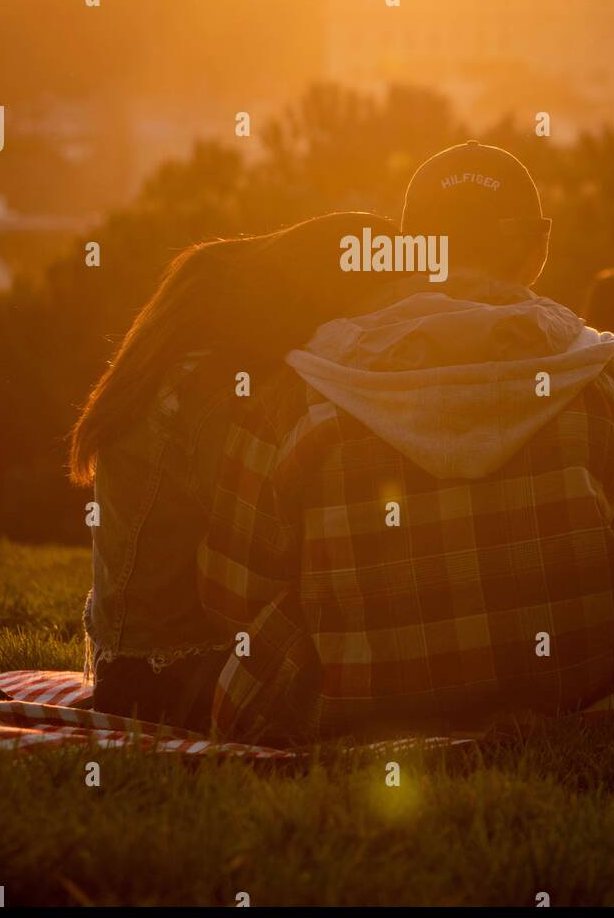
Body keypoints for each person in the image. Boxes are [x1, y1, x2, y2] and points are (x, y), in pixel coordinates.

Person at [198, 141, 614, 745]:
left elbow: (234, 592)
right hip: (601, 698)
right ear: (536, 248)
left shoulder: (302, 387)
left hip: (342, 709)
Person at [65, 212, 393, 730]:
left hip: (135, 668)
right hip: (178, 680)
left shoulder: (191, 364)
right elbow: (259, 554)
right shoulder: (216, 396)